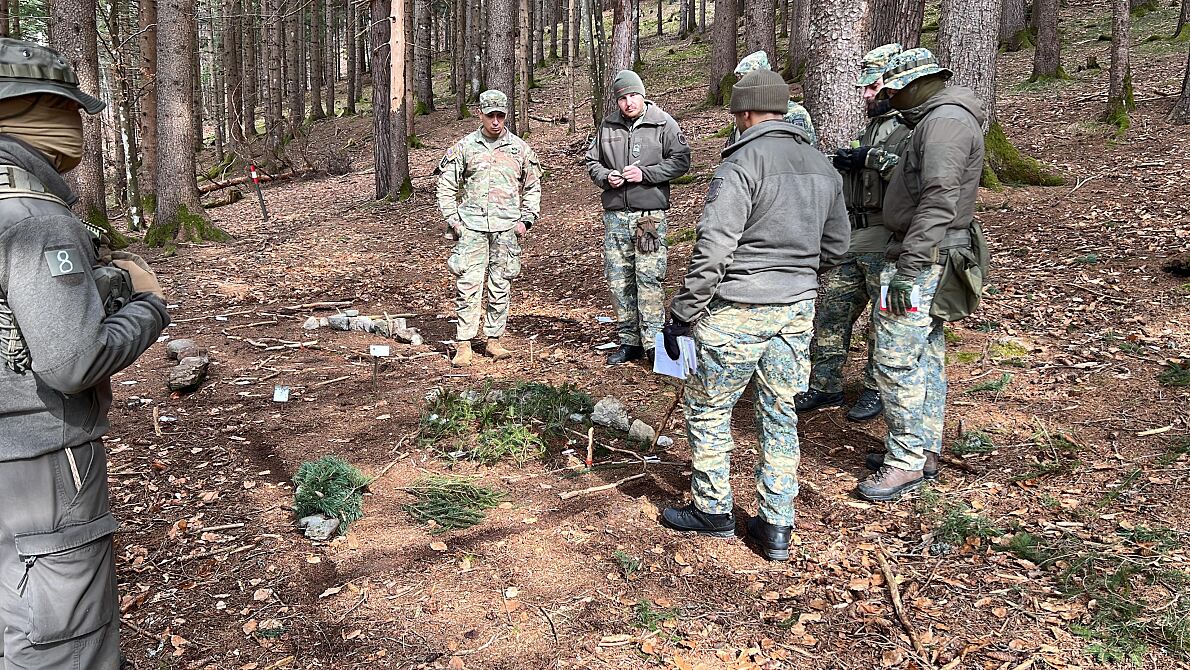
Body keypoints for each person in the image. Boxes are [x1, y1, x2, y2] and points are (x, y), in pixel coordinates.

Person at [0, 38, 171, 669]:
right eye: (68, 110)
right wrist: (148, 305)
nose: (77, 129)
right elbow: (71, 361)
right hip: (37, 463)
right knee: (62, 641)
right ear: (30, 109)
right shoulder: (32, 216)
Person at [658, 70, 849, 561]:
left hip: (738, 308)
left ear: (744, 114)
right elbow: (837, 246)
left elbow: (715, 247)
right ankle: (776, 523)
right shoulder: (822, 166)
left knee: (708, 407)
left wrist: (683, 313)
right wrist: (797, 276)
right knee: (780, 411)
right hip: (796, 310)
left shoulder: (741, 165)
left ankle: (714, 509)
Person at [856, 47, 986, 501]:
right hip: (925, 254)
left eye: (893, 90)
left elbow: (938, 201)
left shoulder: (944, 124)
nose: (887, 99)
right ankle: (923, 448)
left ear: (914, 86)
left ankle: (906, 461)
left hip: (923, 260)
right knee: (927, 353)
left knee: (894, 357)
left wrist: (908, 271)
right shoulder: (935, 119)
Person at [795, 43, 910, 423]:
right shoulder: (873, 127)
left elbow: (915, 180)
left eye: (872, 87)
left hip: (887, 240)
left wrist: (872, 159)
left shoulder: (911, 126)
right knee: (831, 314)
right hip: (853, 237)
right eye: (864, 88)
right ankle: (825, 385)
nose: (866, 95)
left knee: (885, 322)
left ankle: (878, 390)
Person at [584, 70, 691, 364]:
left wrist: (647, 174)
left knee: (648, 278)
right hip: (616, 216)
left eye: (632, 96)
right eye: (622, 98)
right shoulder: (607, 127)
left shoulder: (662, 122)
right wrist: (607, 177)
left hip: (649, 217)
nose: (628, 102)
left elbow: (682, 160)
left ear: (642, 95)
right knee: (619, 279)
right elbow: (592, 162)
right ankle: (629, 340)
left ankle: (655, 343)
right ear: (617, 101)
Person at [436, 89, 542, 367]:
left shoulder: (520, 149)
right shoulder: (465, 147)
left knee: (500, 283)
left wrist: (526, 220)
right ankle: (464, 342)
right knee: (469, 284)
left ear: (506, 115)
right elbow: (446, 185)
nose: (496, 121)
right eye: (490, 115)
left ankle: (494, 339)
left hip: (507, 229)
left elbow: (532, 187)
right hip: (471, 227)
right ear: (480, 114)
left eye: (500, 116)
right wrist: (453, 219)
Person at [725, 50, 816, 147]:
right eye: (741, 78)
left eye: (747, 78)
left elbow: (805, 149)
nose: (743, 83)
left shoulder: (795, 113)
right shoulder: (745, 113)